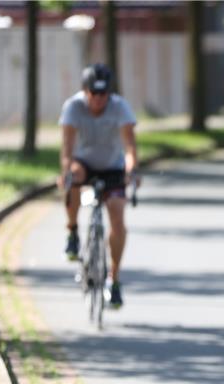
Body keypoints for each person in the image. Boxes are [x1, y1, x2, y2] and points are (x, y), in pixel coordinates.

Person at [58, 63, 139, 309]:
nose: (99, 99)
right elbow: (67, 149)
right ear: (85, 92)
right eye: (94, 93)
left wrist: (132, 170)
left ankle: (113, 279)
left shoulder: (119, 107)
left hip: (112, 166)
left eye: (104, 94)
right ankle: (72, 230)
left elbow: (130, 148)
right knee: (73, 177)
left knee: (117, 214)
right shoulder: (73, 108)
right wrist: (66, 171)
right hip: (83, 163)